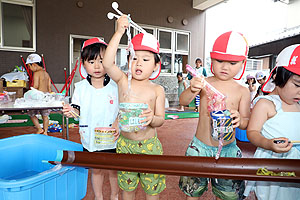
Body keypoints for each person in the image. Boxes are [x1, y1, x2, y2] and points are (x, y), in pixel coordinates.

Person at [178, 31, 251, 200]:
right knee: (192, 193)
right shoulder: (204, 83)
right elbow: (183, 100)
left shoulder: (242, 91)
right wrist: (192, 89)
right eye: (219, 61)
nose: (225, 67)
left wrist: (240, 119)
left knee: (226, 195)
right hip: (199, 147)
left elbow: (246, 122)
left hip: (228, 150)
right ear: (211, 59)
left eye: (232, 63)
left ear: (242, 63)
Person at [102, 15, 166, 200]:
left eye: (146, 60)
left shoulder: (157, 89)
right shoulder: (123, 81)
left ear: (156, 66)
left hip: (149, 146)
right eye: (134, 57)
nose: (138, 63)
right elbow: (107, 63)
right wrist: (119, 31)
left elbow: (161, 119)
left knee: (152, 189)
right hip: (125, 144)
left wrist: (151, 118)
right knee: (127, 189)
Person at [62, 38, 119, 200]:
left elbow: (122, 110)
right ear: (83, 64)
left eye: (102, 61)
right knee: (96, 169)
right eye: (91, 61)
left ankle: (115, 196)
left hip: (111, 137)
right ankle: (98, 197)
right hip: (91, 138)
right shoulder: (80, 88)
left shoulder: (115, 86)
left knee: (113, 170)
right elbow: (77, 111)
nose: (97, 66)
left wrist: (117, 123)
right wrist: (70, 111)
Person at [243, 44, 300, 200]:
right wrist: (268, 144)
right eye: (297, 85)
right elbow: (252, 132)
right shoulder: (267, 103)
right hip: (273, 162)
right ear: (277, 76)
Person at [26, 53, 52, 135]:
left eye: (29, 66)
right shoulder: (47, 74)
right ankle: (46, 131)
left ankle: (39, 129)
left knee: (31, 113)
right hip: (45, 97)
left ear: (34, 65)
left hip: (38, 98)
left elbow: (36, 86)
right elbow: (49, 88)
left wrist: (30, 91)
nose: (30, 69)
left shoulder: (36, 73)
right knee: (45, 115)